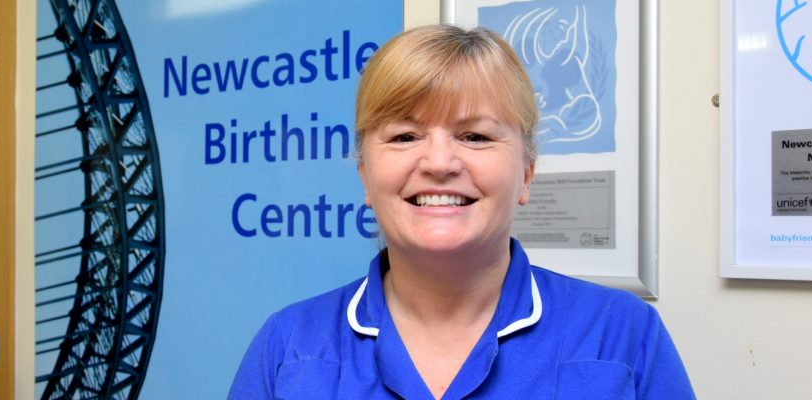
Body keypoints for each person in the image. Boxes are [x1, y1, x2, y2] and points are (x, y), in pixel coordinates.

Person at [228, 25, 693, 399]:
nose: (439, 163)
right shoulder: (287, 348)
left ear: (527, 174)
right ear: (366, 175)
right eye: (405, 136)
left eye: (475, 136)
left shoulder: (623, 337)